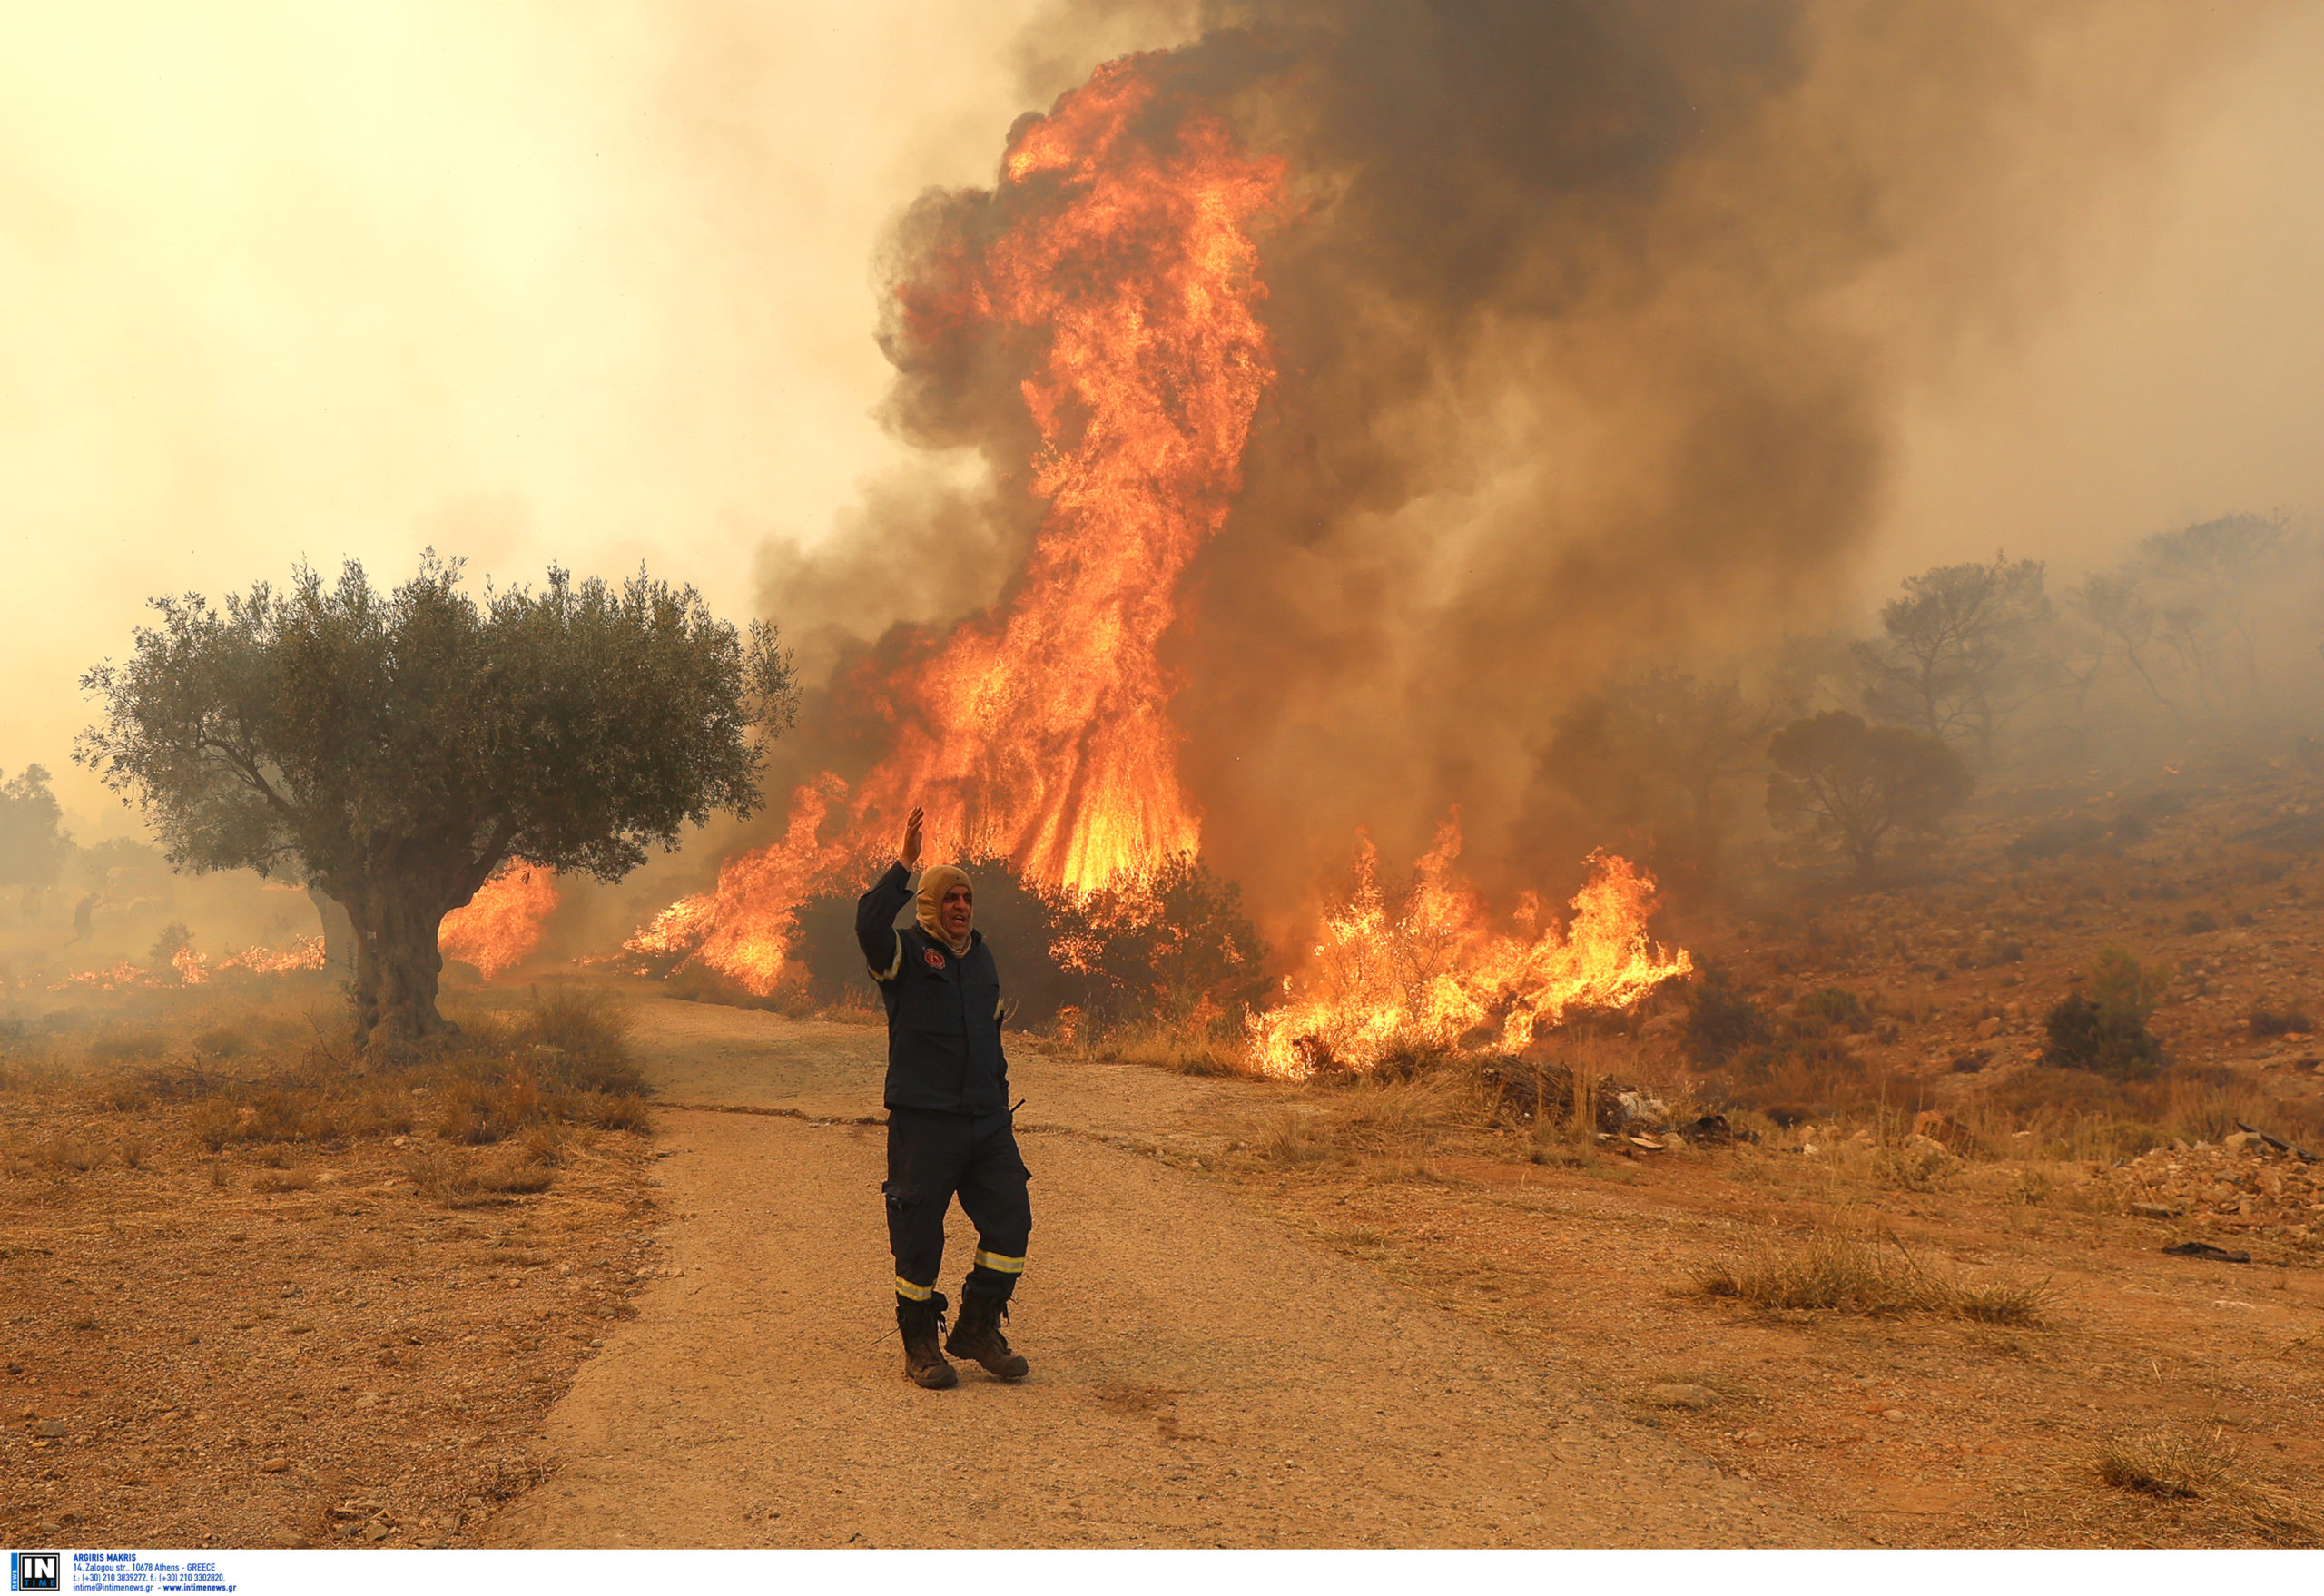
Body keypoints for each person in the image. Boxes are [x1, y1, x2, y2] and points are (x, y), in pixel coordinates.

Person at [855, 806, 1032, 1389]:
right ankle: (920, 1347)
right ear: (931, 904)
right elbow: (868, 924)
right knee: (918, 1237)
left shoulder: (981, 959)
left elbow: (991, 1038)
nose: (961, 907)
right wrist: (905, 863)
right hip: (924, 1126)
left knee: (1011, 1222)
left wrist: (998, 1106)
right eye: (950, 898)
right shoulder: (902, 954)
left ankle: (977, 1327)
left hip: (985, 1123)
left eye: (967, 899)